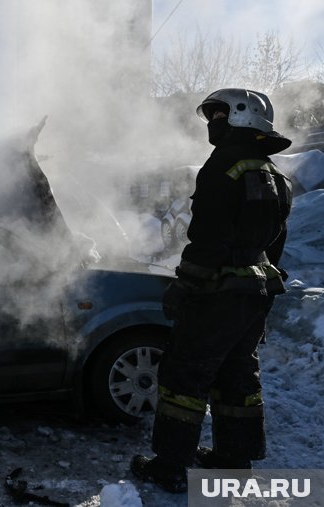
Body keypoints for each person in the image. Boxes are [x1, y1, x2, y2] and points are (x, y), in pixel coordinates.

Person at [130, 89, 293, 493]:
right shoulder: (275, 174)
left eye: (219, 115)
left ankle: (170, 466)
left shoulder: (223, 166)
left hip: (218, 291)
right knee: (237, 374)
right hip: (256, 290)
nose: (211, 123)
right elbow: (276, 243)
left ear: (243, 116)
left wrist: (184, 286)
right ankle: (234, 459)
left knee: (186, 371)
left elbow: (207, 239)